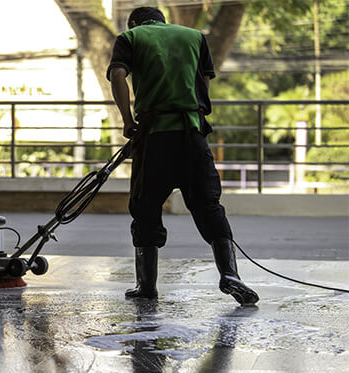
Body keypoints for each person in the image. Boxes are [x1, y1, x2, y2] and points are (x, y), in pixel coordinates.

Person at [107, 6, 259, 305]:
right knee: (208, 205)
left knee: (145, 208)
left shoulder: (130, 37)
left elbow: (117, 76)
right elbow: (204, 82)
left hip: (154, 137)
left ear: (135, 22)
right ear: (163, 21)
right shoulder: (194, 37)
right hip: (192, 134)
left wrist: (127, 120)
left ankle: (146, 286)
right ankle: (230, 274)